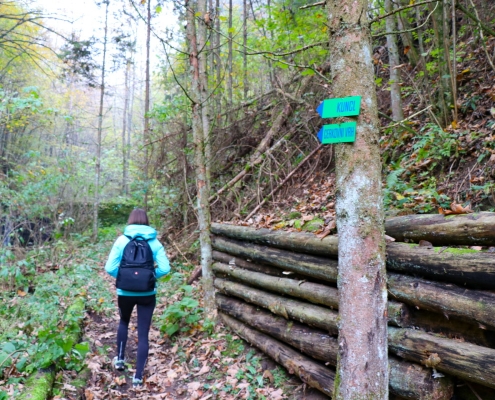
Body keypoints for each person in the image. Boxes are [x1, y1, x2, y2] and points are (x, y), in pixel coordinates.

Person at [105, 208, 170, 387]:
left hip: (125, 293)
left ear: (130, 221)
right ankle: (138, 377)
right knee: (143, 333)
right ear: (146, 221)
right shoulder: (154, 242)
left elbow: (109, 268)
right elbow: (165, 268)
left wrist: (125, 278)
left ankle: (120, 359)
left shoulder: (122, 240)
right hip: (147, 294)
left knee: (124, 321)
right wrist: (149, 278)